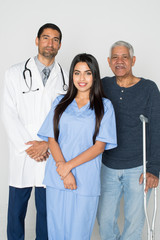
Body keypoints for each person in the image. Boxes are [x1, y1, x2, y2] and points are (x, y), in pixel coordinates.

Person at [37, 53, 117, 240]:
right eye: (77, 73)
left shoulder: (105, 106)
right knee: (56, 232)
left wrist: (68, 167)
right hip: (57, 177)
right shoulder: (60, 103)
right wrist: (64, 171)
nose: (82, 79)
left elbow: (99, 147)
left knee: (78, 234)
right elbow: (52, 139)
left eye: (87, 73)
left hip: (86, 180)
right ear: (72, 76)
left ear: (95, 76)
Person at [2, 23, 68, 240]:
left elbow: (68, 120)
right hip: (24, 153)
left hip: (51, 154)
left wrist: (47, 145)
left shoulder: (68, 79)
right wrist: (29, 147)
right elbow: (8, 113)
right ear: (37, 40)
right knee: (16, 214)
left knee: (47, 215)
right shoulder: (14, 73)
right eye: (46, 38)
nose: (50, 43)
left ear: (59, 44)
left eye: (55, 39)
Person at [97, 40, 160, 240]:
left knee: (134, 225)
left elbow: (157, 128)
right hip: (109, 165)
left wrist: (153, 169)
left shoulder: (149, 88)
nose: (120, 61)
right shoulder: (103, 85)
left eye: (124, 57)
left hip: (138, 167)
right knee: (105, 220)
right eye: (115, 57)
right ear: (108, 61)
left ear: (133, 60)